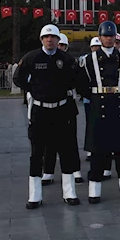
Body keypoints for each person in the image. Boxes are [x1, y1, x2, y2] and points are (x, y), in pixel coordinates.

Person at [13, 24, 81, 208]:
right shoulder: (31, 58)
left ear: (59, 40)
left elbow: (77, 80)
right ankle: (35, 195)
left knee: (66, 152)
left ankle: (70, 193)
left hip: (61, 110)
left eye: (53, 37)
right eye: (46, 37)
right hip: (40, 111)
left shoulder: (66, 59)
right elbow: (18, 78)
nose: (49, 40)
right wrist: (33, 90)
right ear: (41, 39)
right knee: (37, 153)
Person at [76, 21, 120, 203]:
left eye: (111, 36)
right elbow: (81, 84)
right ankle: (94, 188)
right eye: (105, 36)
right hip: (99, 104)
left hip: (119, 104)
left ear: (115, 38)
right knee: (98, 150)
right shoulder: (88, 59)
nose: (109, 39)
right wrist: (95, 96)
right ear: (100, 37)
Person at [42, 33, 83, 185]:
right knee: (49, 140)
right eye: (59, 46)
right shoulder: (44, 60)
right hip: (48, 105)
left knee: (70, 140)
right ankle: (48, 171)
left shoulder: (69, 62)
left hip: (67, 105)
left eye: (62, 46)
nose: (60, 48)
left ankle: (75, 169)